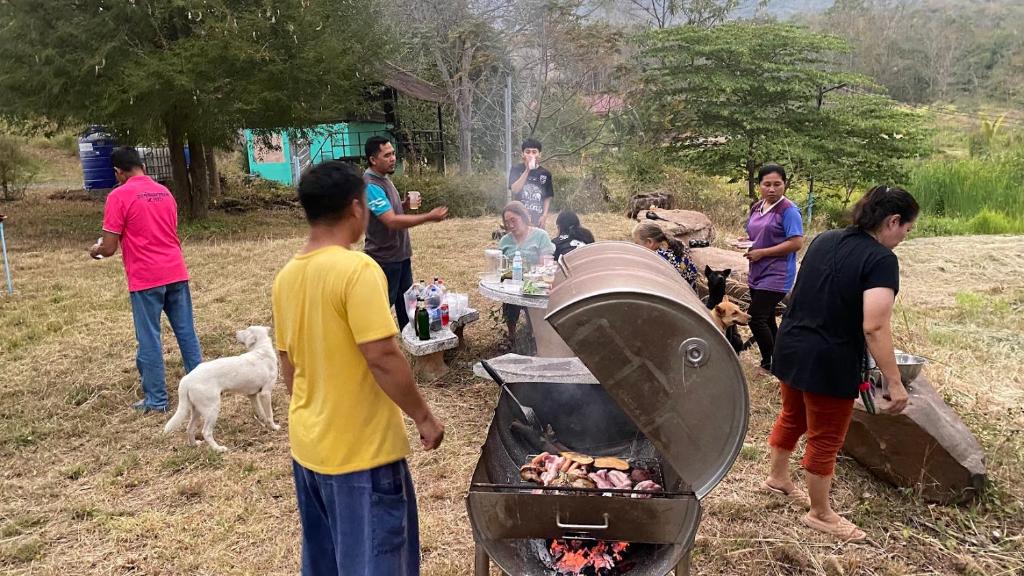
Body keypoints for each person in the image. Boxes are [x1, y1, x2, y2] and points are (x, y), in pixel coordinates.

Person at [272, 160, 445, 576]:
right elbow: (382, 356)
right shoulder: (356, 268)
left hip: (310, 448)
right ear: (355, 207)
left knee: (328, 561)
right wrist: (423, 416)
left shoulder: (286, 277)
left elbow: (288, 367)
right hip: (361, 453)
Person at [763, 185, 916, 542]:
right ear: (893, 221)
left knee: (793, 415)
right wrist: (895, 382)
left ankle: (778, 479)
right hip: (828, 359)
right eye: (908, 228)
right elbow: (875, 325)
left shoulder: (825, 239)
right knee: (826, 436)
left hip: (792, 344)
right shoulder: (881, 260)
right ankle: (820, 514)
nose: (906, 235)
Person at [89, 146, 202, 414]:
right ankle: (202, 389)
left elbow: (109, 247)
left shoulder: (119, 196)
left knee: (150, 338)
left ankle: (157, 400)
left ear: (118, 171)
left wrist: (95, 250)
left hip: (146, 277)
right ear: (140, 165)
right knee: (186, 332)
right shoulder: (165, 192)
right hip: (176, 270)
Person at [363, 136, 448, 331]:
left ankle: (410, 343)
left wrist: (404, 206)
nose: (393, 158)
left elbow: (389, 212)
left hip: (400, 256)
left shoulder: (384, 179)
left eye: (393, 153)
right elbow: (391, 221)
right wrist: (428, 217)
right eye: (387, 155)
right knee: (381, 308)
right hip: (384, 258)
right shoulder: (370, 185)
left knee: (408, 306)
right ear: (373, 160)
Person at [741, 164, 804, 372]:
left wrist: (763, 252)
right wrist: (747, 241)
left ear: (785, 185)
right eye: (767, 184)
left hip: (777, 273)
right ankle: (780, 360)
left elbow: (796, 243)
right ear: (759, 185)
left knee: (755, 317)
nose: (772, 189)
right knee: (766, 318)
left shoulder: (789, 210)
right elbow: (756, 234)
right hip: (757, 270)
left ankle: (769, 362)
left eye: (777, 184)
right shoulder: (757, 207)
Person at [497, 201, 555, 350]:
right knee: (510, 302)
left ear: (523, 217)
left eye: (513, 220)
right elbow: (500, 267)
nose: (510, 225)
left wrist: (533, 275)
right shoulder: (505, 241)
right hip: (513, 285)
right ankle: (511, 337)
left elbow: (547, 265)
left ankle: (538, 337)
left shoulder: (540, 236)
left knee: (534, 311)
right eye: (506, 221)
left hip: (536, 285)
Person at [632, 220, 698, 291]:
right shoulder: (676, 243)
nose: (636, 247)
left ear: (650, 242)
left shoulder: (659, 259)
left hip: (678, 296)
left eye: (637, 244)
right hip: (691, 292)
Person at [508, 138, 554, 229]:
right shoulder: (516, 169)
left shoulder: (545, 173)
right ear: (522, 154)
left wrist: (544, 216)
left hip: (537, 216)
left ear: (539, 154)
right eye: (527, 152)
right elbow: (514, 189)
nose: (531, 155)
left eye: (534, 152)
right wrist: (527, 170)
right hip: (519, 216)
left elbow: (547, 196)